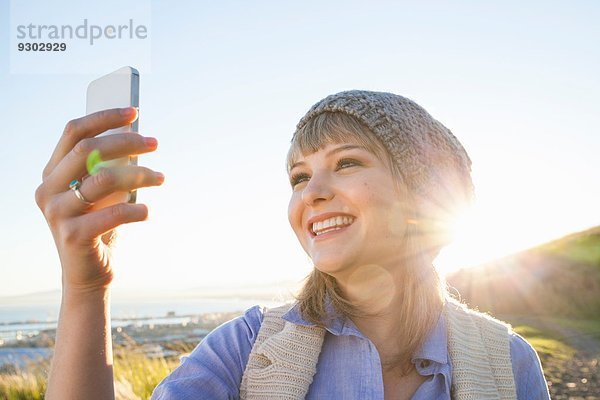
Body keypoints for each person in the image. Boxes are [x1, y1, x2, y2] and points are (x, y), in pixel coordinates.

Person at [36, 90, 550, 399]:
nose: (313, 193)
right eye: (298, 177)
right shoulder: (247, 349)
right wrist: (86, 288)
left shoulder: (508, 364)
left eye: (347, 163)